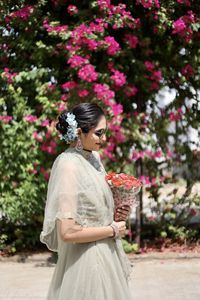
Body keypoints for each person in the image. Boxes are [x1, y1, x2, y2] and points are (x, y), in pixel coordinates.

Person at [40, 102, 132, 300]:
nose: (104, 139)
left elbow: (93, 210)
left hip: (107, 255)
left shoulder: (94, 159)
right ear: (80, 132)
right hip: (87, 264)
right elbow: (67, 231)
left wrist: (116, 213)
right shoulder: (69, 165)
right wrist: (112, 230)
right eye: (99, 133)